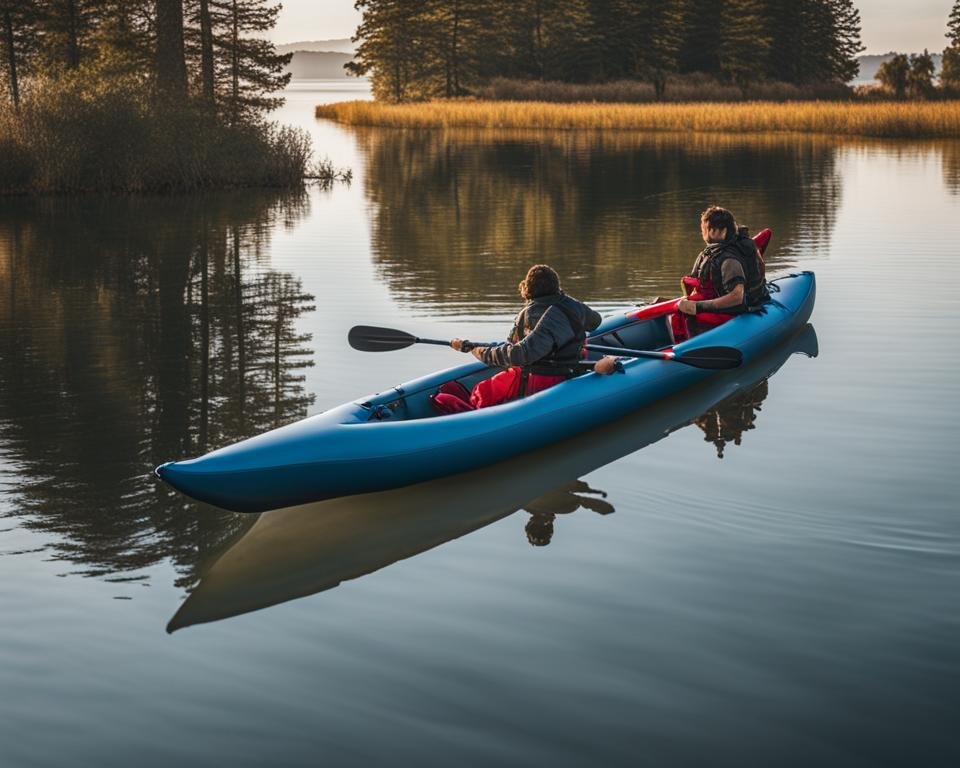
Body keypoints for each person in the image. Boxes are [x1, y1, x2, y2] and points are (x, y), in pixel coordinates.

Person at [430, 264, 615, 414]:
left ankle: (469, 415)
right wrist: (471, 346)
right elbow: (595, 322)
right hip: (570, 369)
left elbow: (515, 353)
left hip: (539, 378)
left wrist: (474, 350)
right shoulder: (573, 307)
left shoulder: (525, 316)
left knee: (482, 391)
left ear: (528, 289)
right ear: (556, 286)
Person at [674, 206, 769, 341]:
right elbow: (760, 264)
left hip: (739, 310)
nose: (702, 232)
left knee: (684, 314)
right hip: (738, 300)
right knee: (676, 306)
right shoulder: (717, 251)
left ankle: (690, 345)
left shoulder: (729, 260)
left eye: (704, 229)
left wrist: (698, 307)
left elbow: (737, 296)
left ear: (719, 232)